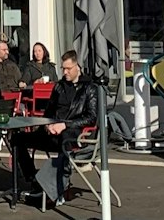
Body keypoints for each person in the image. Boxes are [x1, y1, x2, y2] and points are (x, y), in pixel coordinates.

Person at [12, 51, 99, 207]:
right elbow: (48, 113)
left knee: (65, 139)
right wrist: (47, 125)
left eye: (68, 68)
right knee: (17, 138)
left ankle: (55, 189)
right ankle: (33, 179)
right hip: (52, 132)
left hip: (73, 135)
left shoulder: (90, 88)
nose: (65, 72)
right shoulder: (59, 86)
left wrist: (65, 125)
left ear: (77, 67)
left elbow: (91, 117)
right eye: (63, 68)